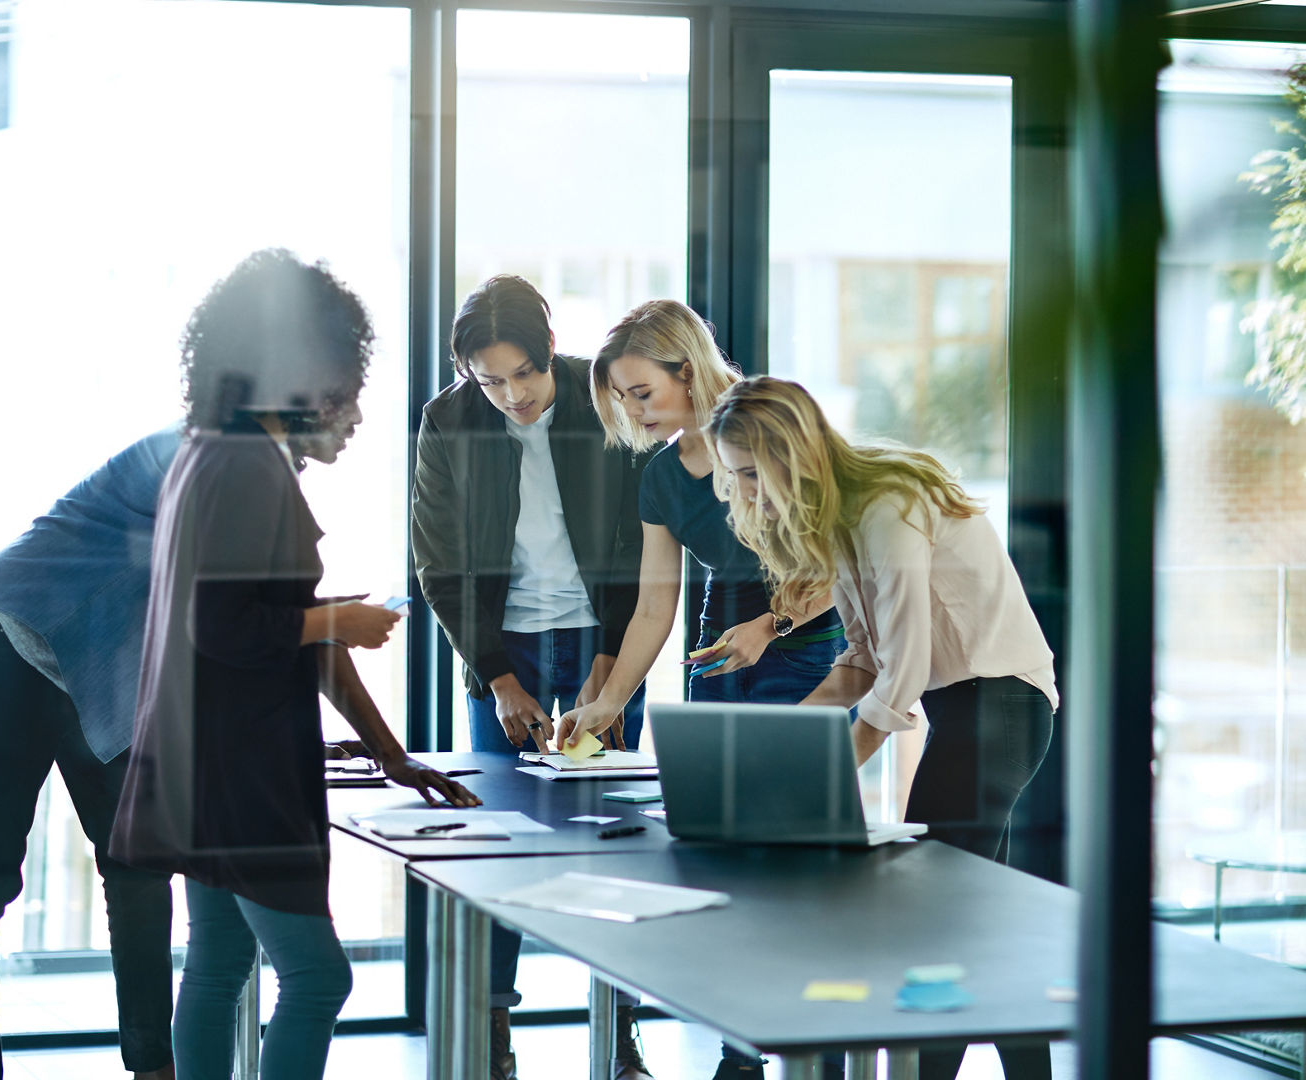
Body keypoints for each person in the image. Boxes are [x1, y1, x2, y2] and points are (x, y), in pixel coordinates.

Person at [111, 249, 477, 1080]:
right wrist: (334, 618)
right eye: (344, 388)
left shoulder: (211, 452)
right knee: (317, 978)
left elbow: (284, 628)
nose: (351, 413)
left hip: (204, 771)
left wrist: (389, 752)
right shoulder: (246, 466)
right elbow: (229, 624)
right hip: (247, 781)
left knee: (217, 966)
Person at [702, 375, 1057, 1080]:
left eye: (747, 474)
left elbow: (902, 672)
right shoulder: (843, 517)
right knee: (976, 923)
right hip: (970, 708)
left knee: (933, 916)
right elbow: (859, 662)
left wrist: (822, 774)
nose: (742, 492)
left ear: (786, 453)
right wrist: (771, 753)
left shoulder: (886, 506)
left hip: (1001, 705)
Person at [555, 302, 848, 1080]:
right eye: (622, 398)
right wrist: (608, 702)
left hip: (810, 641)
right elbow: (657, 605)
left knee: (789, 858)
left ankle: (801, 1043)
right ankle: (743, 1053)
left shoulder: (767, 419)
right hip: (722, 644)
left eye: (641, 391)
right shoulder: (659, 476)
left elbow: (840, 551)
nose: (632, 411)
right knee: (729, 859)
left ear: (687, 368)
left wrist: (775, 626)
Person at [411, 274, 651, 1080]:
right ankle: (493, 1036)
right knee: (499, 842)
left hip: (600, 643)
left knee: (607, 833)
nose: (511, 395)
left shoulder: (600, 399)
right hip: (502, 648)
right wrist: (495, 679)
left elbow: (636, 544)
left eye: (523, 375)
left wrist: (614, 668)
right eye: (490, 381)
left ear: (551, 353)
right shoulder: (447, 421)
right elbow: (439, 566)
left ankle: (619, 1039)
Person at [0, 430, 181, 1080]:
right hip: (5, 639)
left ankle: (154, 1069)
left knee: (139, 865)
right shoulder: (197, 457)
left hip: (99, 658)